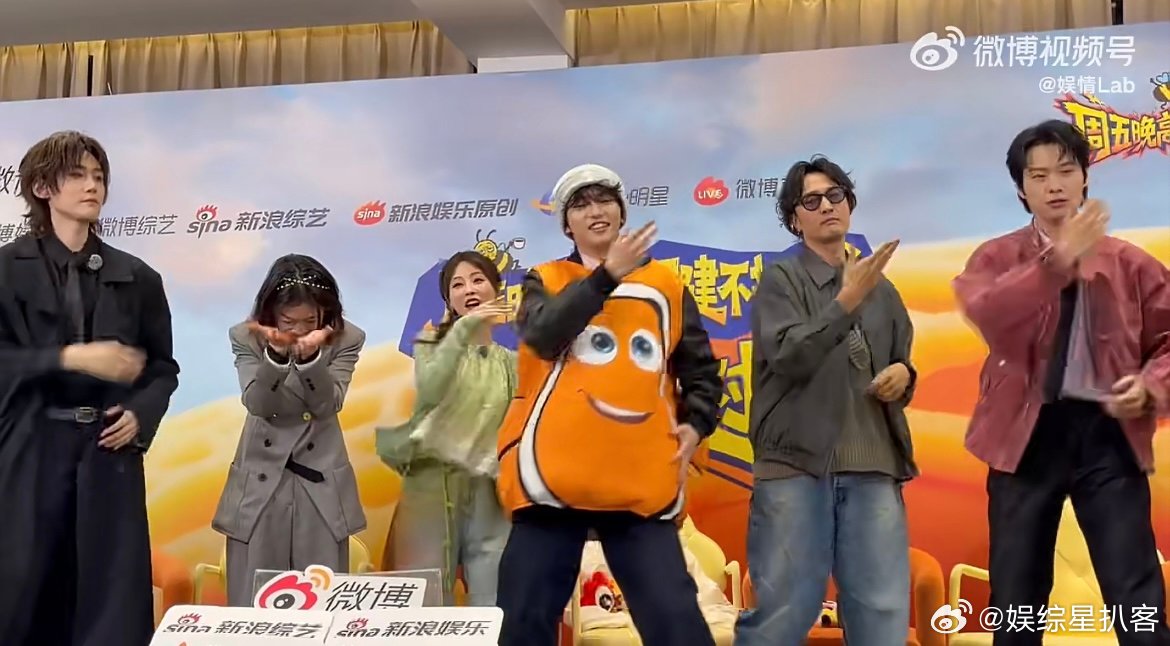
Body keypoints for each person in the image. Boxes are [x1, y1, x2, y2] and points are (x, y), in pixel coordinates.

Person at [952, 119, 1170, 645]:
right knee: (1017, 598)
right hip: (1023, 439)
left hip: (1108, 438)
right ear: (1020, 190)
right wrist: (1058, 260)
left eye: (1066, 171)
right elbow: (992, 316)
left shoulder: (1132, 263)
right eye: (1039, 175)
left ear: (1085, 178)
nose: (1054, 185)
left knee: (1136, 596)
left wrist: (1150, 384)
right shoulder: (995, 258)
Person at [494, 163, 724, 646]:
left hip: (636, 476)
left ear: (622, 213)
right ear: (566, 225)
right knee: (524, 620)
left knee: (676, 621)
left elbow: (700, 369)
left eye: (604, 200)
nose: (595, 211)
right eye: (580, 205)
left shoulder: (667, 285)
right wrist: (606, 276)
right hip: (552, 477)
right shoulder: (545, 278)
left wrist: (698, 423)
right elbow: (543, 335)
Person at [0, 131, 180, 645]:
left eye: (99, 176)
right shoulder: (6, 270)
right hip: (29, 452)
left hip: (108, 453)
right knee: (23, 594)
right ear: (42, 187)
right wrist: (69, 357)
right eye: (77, 174)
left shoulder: (138, 276)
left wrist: (140, 415)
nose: (92, 186)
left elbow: (162, 368)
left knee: (109, 602)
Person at [734, 155, 917, 646]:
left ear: (849, 204)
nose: (827, 207)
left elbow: (901, 358)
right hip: (796, 465)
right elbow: (789, 355)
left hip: (873, 464)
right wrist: (845, 302)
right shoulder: (781, 279)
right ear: (795, 219)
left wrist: (904, 375)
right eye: (811, 201)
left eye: (835, 195)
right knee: (783, 612)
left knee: (882, 613)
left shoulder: (883, 289)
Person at [212, 254, 367, 607]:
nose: (300, 331)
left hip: (320, 482)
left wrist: (311, 360)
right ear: (270, 314)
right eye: (289, 321)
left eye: (310, 321)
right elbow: (258, 403)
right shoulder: (246, 336)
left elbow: (328, 404)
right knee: (254, 602)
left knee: (321, 602)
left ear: (326, 313)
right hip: (261, 481)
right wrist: (276, 358)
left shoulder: (346, 338)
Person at [375, 250, 515, 606]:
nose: (469, 289)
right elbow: (431, 388)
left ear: (496, 290)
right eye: (458, 284)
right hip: (431, 484)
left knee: (494, 596)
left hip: (489, 488)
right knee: (427, 594)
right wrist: (464, 329)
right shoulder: (430, 345)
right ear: (449, 300)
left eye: (478, 280)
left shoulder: (512, 362)